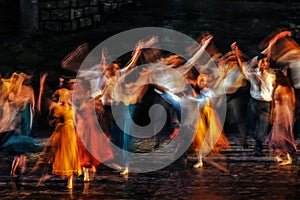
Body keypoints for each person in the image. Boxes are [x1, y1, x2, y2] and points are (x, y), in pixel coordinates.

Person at [233, 43, 276, 156]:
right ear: (259, 63)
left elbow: (275, 89)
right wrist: (236, 54)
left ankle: (258, 147)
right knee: (253, 126)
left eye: (267, 62)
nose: (266, 64)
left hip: (266, 103)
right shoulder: (253, 73)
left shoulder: (272, 75)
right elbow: (242, 68)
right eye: (264, 62)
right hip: (254, 103)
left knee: (263, 126)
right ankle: (257, 144)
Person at [0, 72, 40, 177]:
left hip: (21, 118)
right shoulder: (18, 91)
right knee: (19, 143)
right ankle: (18, 165)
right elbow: (33, 106)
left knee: (21, 144)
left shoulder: (21, 90)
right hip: (19, 119)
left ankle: (18, 165)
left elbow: (33, 106)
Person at [73, 78, 114, 182]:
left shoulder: (93, 101)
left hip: (91, 129)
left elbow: (101, 113)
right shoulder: (76, 101)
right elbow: (75, 114)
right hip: (81, 128)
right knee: (82, 150)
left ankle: (90, 167)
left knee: (91, 149)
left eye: (80, 86)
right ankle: (85, 171)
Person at [46, 88, 82, 189]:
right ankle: (62, 173)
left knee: (70, 154)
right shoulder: (56, 107)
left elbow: (76, 121)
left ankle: (70, 180)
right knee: (61, 154)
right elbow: (50, 121)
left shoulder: (72, 107)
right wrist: (57, 122)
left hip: (70, 133)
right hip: (61, 133)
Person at [192, 74, 230, 168]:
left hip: (207, 115)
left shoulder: (207, 91)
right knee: (199, 139)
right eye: (201, 81)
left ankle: (203, 157)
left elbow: (205, 99)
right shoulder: (199, 92)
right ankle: (200, 159)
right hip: (200, 116)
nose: (203, 83)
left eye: (204, 81)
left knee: (206, 138)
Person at [266, 70, 296, 165]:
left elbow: (276, 103)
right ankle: (278, 155)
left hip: (282, 112)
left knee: (281, 134)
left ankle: (287, 156)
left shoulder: (282, 89)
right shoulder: (286, 89)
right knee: (278, 133)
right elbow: (292, 103)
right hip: (284, 111)